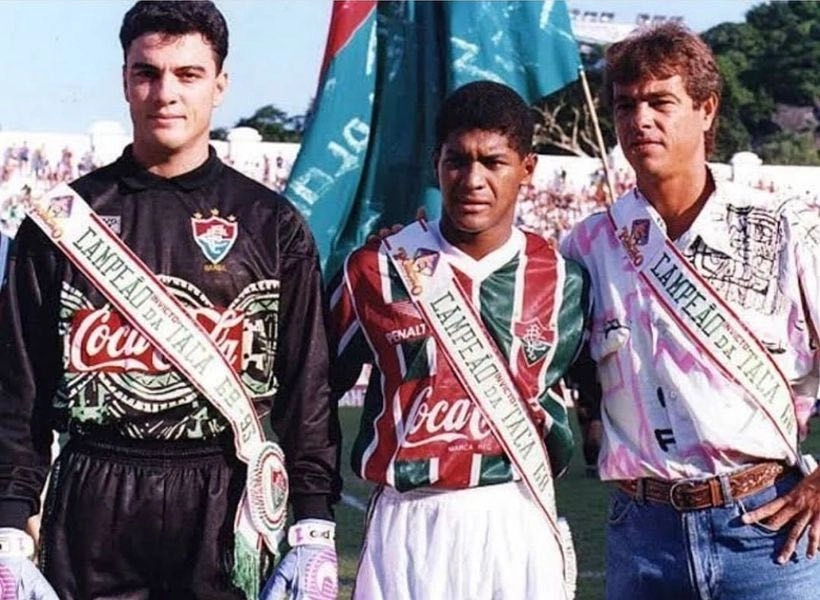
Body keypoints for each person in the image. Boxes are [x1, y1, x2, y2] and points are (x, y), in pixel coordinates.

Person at [0, 2, 341, 599]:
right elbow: (17, 385)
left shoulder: (272, 226)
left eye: (188, 74)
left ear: (220, 84)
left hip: (224, 495)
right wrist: (8, 520)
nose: (166, 93)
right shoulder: (58, 224)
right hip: (91, 493)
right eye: (147, 72)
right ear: (125, 80)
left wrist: (314, 522)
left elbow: (306, 387)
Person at [561, 23, 820, 599]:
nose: (639, 119)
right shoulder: (587, 244)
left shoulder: (785, 228)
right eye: (625, 105)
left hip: (768, 527)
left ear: (705, 109)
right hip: (642, 532)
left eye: (660, 101)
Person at [330, 80, 591, 599]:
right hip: (407, 520)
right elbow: (312, 395)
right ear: (437, 164)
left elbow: (607, 390)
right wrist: (310, 520)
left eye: (493, 162)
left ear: (528, 169)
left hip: (516, 512)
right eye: (458, 161)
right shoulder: (375, 269)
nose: (473, 179)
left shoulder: (567, 281)